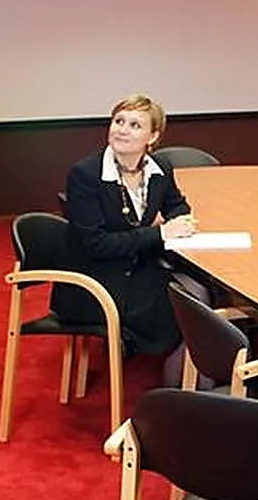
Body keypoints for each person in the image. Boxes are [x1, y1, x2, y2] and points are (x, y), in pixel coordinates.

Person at [56, 95, 198, 359]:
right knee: (181, 302)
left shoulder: (160, 168)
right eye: (118, 121)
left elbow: (177, 206)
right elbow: (96, 245)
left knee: (195, 291)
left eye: (135, 125)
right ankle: (178, 382)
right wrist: (160, 233)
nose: (122, 129)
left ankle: (187, 377)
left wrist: (180, 221)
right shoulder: (85, 174)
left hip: (134, 267)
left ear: (153, 137)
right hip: (93, 280)